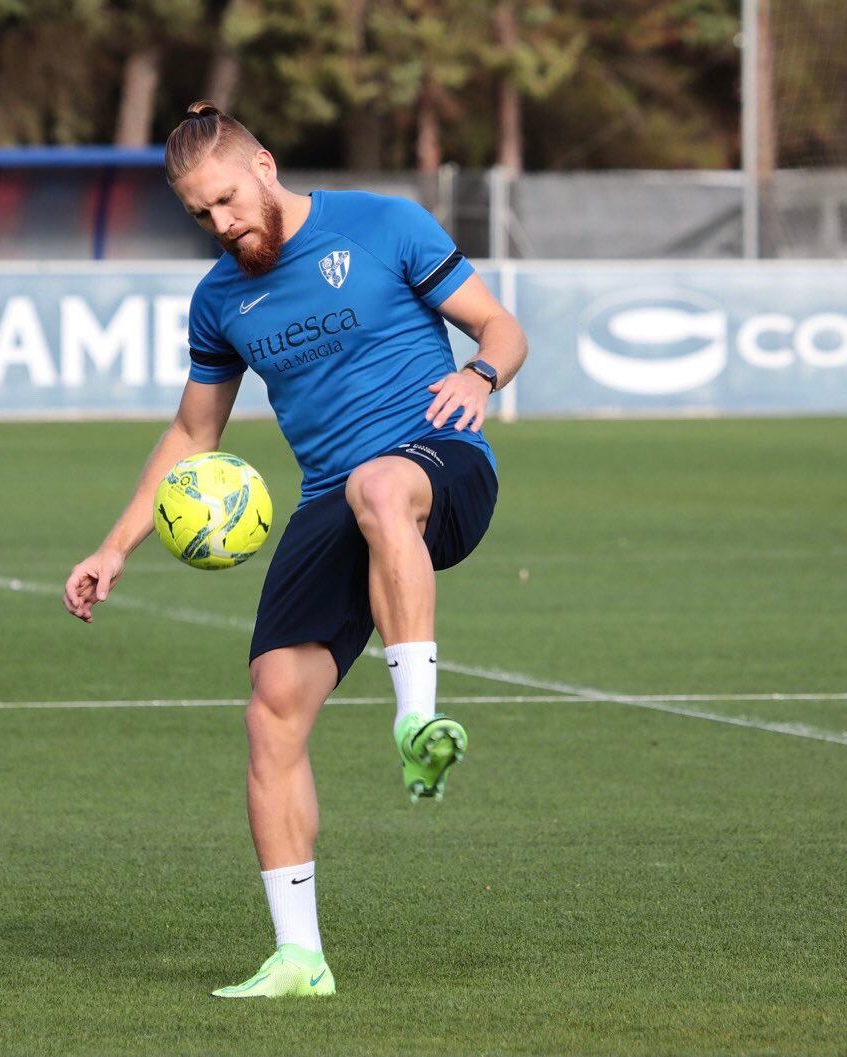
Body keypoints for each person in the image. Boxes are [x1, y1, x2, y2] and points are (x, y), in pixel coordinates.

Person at [62, 101, 527, 999]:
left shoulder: (384, 222)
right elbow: (194, 432)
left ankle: (416, 719)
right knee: (272, 707)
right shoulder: (221, 299)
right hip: (331, 499)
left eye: (229, 200)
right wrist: (116, 545)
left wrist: (479, 374)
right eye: (201, 214)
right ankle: (299, 957)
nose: (222, 224)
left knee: (380, 486)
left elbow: (502, 328)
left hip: (441, 457)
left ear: (265, 165)